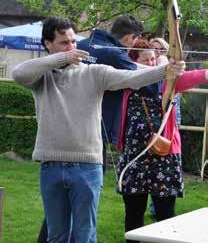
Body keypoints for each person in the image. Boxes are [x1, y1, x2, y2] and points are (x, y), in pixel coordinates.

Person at [12, 17, 184, 243]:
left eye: (74, 42)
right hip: (50, 166)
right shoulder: (41, 76)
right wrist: (62, 58)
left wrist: (166, 71)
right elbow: (18, 73)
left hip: (87, 167)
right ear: (48, 44)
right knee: (56, 236)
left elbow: (132, 77)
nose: (72, 47)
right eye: (64, 43)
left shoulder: (94, 73)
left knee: (84, 235)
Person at [117, 39, 207, 243]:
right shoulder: (126, 82)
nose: (151, 63)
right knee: (133, 214)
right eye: (146, 59)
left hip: (164, 157)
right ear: (134, 61)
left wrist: (205, 73)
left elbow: (191, 77)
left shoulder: (168, 81)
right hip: (135, 157)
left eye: (153, 58)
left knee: (166, 214)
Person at [78, 14, 144, 174]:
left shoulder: (81, 44)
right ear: (129, 38)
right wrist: (164, 69)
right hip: (98, 123)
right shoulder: (115, 54)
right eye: (135, 40)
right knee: (93, 175)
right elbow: (145, 83)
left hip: (72, 120)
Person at [149, 37, 182, 217]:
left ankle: (159, 210)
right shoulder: (147, 70)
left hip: (167, 135)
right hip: (148, 134)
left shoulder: (174, 75)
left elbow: (174, 112)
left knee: (166, 185)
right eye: (153, 49)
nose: (156, 53)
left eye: (160, 50)